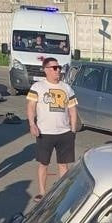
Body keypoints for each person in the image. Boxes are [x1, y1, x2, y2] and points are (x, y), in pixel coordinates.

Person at [25, 55, 78, 201]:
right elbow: (31, 107)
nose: (58, 70)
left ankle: (62, 193)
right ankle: (42, 192)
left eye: (59, 68)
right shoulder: (38, 87)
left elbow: (73, 110)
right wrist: (32, 124)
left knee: (63, 164)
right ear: (46, 70)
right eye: (54, 68)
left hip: (64, 133)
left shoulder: (67, 88)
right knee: (43, 164)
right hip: (45, 133)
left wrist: (73, 130)